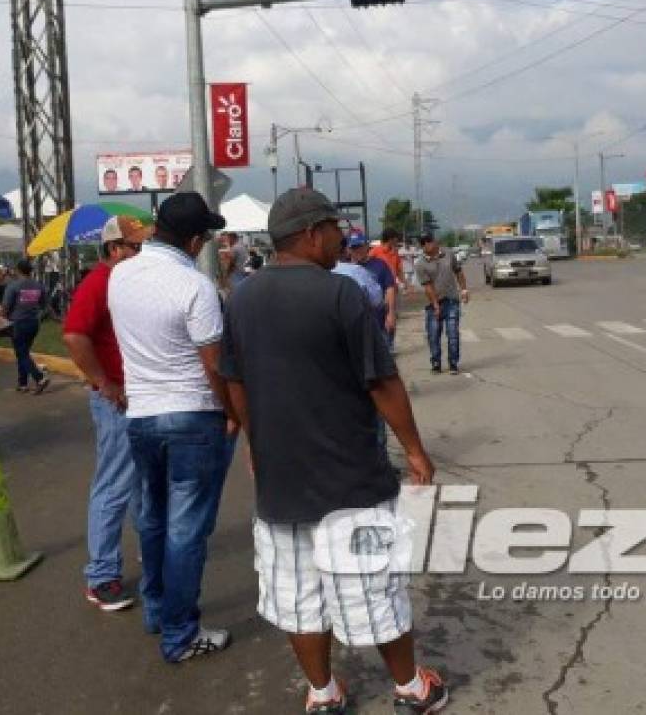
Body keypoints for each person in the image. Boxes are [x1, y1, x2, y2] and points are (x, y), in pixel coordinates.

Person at [219, 188, 448, 715]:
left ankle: (323, 694)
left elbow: (232, 382)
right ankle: (411, 689)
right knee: (376, 591)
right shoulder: (340, 293)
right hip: (351, 480)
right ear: (311, 233)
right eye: (335, 229)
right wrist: (415, 450)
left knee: (298, 596)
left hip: (282, 485)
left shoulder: (242, 298)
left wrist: (256, 441)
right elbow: (382, 381)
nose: (342, 239)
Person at [108, 191, 237, 663]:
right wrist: (233, 413)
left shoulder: (120, 275)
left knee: (154, 519)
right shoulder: (195, 287)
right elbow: (213, 363)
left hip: (142, 416)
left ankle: (159, 610)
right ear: (197, 239)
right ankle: (181, 635)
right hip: (192, 415)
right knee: (186, 530)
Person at [63, 216, 151, 613]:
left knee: (141, 483)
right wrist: (103, 382)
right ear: (115, 249)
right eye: (136, 247)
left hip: (136, 396)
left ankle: (145, 553)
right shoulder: (99, 283)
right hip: (116, 398)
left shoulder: (126, 282)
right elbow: (73, 335)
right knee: (114, 486)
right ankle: (100, 577)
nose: (142, 253)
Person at [414, 234, 469, 375]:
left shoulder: (448, 254)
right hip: (432, 304)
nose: (434, 243)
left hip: (451, 300)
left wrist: (463, 290)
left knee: (453, 333)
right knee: (433, 335)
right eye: (429, 242)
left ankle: (453, 363)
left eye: (433, 240)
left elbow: (458, 272)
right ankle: (436, 363)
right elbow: (427, 286)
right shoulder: (420, 264)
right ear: (424, 246)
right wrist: (435, 305)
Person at [0, 259, 51, 394]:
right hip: (33, 323)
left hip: (17, 324)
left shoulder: (13, 286)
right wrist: (37, 315)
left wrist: (1, 320)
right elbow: (45, 306)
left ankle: (39, 378)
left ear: (18, 270)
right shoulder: (39, 286)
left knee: (22, 353)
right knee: (23, 353)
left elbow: (5, 307)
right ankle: (22, 383)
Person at [351, 232, 398, 349]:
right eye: (354, 247)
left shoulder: (380, 265)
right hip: (357, 324)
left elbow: (390, 288)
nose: (357, 251)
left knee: (384, 358)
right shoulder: (347, 269)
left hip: (379, 321)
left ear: (366, 246)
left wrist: (391, 314)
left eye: (359, 246)